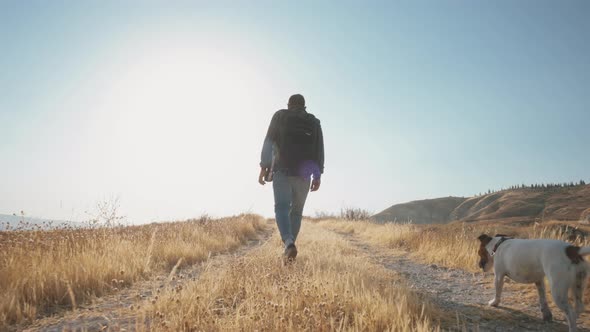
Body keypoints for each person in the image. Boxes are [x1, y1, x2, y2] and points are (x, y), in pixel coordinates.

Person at [258, 94, 324, 261]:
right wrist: (317, 175)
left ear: (289, 105)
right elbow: (319, 149)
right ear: (304, 106)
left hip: (282, 171)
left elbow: (268, 141)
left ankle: (288, 243)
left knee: (281, 207)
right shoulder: (314, 122)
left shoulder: (280, 115)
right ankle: (290, 247)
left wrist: (263, 166)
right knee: (296, 212)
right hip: (304, 174)